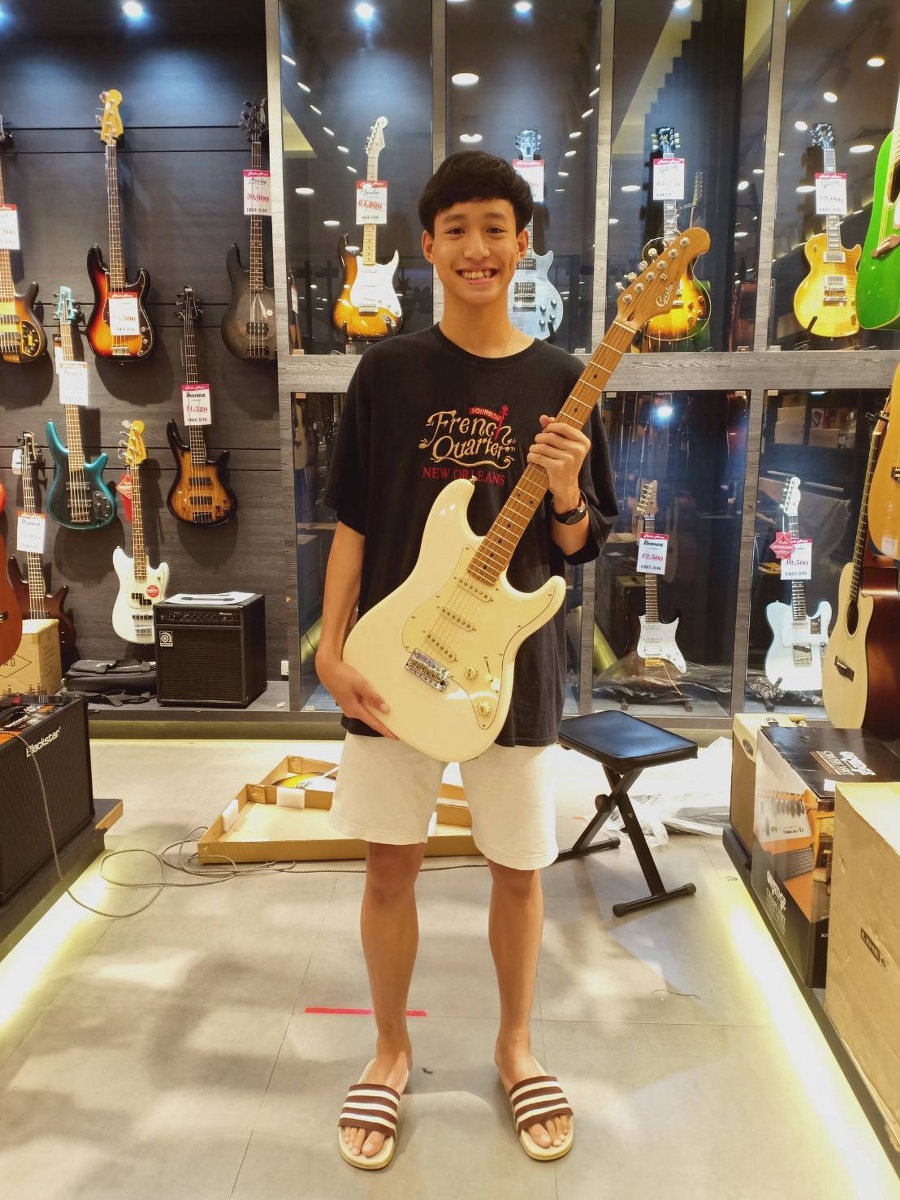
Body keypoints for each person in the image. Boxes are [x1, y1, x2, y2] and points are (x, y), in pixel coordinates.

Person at [315, 150, 618, 1170]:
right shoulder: (388, 373)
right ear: (427, 245)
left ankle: (516, 1044)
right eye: (457, 230)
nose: (476, 248)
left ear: (523, 243)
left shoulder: (565, 380)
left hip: (508, 665)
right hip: (393, 655)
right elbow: (354, 522)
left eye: (496, 228)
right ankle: (390, 1049)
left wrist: (567, 490)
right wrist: (328, 649)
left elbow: (578, 545)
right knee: (388, 865)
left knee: (519, 870)